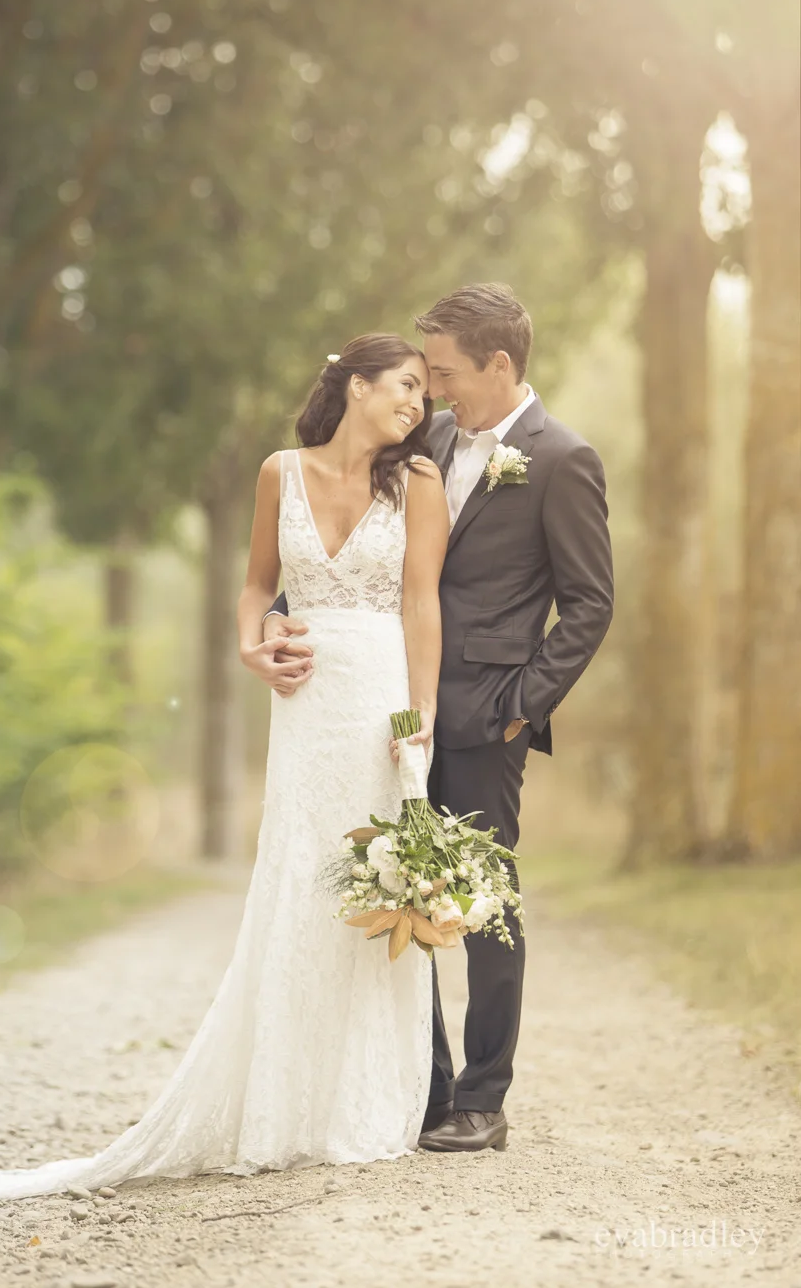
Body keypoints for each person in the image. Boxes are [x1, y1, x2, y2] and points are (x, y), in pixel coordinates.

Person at [0, 332, 450, 1200]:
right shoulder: (280, 472)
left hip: (382, 697)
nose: (417, 405)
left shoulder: (418, 483)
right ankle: (282, 1105)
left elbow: (422, 603)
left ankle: (361, 1102)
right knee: (301, 882)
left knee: (374, 883)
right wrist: (251, 648)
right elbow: (252, 587)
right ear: (354, 385)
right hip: (305, 704)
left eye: (424, 393)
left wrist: (420, 718)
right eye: (406, 385)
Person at [265, 284, 614, 1154]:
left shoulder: (563, 459)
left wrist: (520, 707)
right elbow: (350, 535)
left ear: (501, 365)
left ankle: (485, 1098)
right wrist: (279, 613)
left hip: (484, 715)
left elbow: (589, 606)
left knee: (485, 904)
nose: (435, 391)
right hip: (386, 705)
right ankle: (427, 1088)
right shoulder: (429, 441)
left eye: (449, 374)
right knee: (392, 889)